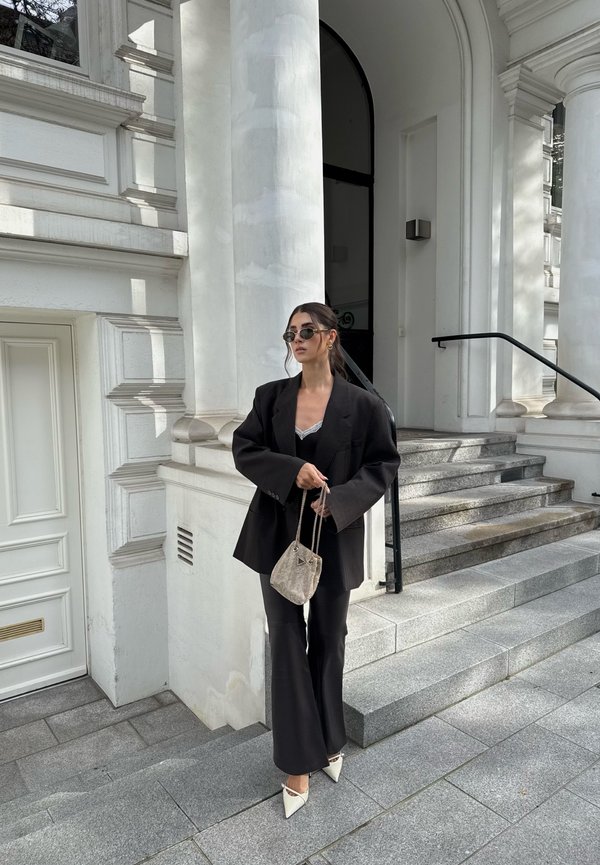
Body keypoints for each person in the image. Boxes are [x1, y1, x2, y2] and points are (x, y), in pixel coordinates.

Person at [232, 301, 400, 818]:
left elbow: (383, 464)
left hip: (334, 535)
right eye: (289, 334)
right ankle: (296, 761)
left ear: (330, 338)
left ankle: (331, 738)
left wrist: (342, 500)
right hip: (277, 535)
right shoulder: (270, 397)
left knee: (330, 639)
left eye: (306, 331)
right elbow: (244, 449)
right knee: (286, 641)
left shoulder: (364, 405)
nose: (296, 340)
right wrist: (292, 470)